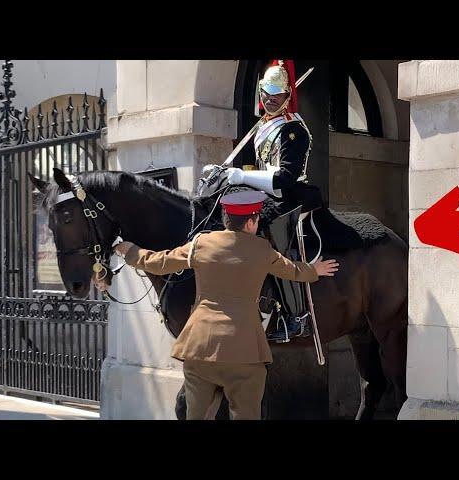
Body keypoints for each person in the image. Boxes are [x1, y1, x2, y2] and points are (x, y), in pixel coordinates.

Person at [112, 191, 338, 420]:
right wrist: (315, 271)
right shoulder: (262, 249)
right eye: (257, 219)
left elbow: (159, 262)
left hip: (199, 349)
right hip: (244, 352)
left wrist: (130, 251)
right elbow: (293, 271)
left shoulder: (201, 243)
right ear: (250, 222)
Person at [226, 60, 323, 341]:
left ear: (287, 97)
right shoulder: (263, 127)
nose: (270, 99)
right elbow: (261, 170)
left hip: (290, 196)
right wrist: (229, 175)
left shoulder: (293, 130)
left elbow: (282, 179)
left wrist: (242, 177)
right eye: (266, 93)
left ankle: (295, 315)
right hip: (266, 194)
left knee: (275, 238)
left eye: (277, 94)